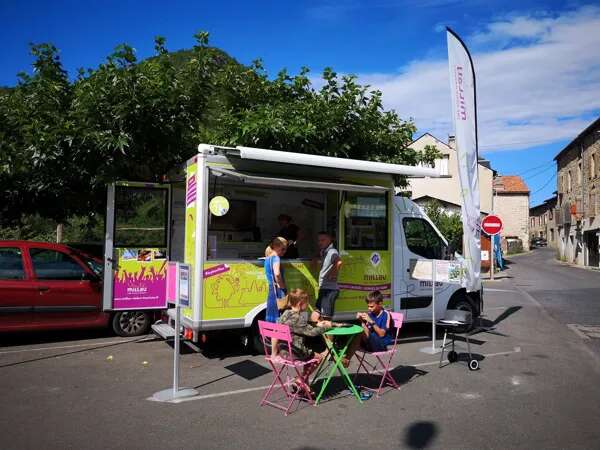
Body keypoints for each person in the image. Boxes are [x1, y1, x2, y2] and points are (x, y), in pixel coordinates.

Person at [277, 289, 332, 389]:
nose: (307, 305)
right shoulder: (298, 318)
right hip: (294, 353)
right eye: (307, 303)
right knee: (318, 357)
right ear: (300, 303)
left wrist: (315, 324)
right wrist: (326, 326)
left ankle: (304, 385)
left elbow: (301, 327)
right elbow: (312, 333)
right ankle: (301, 379)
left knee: (309, 352)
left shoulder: (285, 314)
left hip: (283, 351)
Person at [311, 231, 342, 322]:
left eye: (323, 240)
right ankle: (318, 333)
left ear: (330, 240)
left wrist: (333, 273)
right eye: (319, 240)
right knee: (316, 313)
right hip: (324, 288)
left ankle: (329, 335)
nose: (320, 242)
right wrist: (315, 258)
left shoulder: (332, 251)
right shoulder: (324, 251)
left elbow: (339, 262)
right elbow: (319, 254)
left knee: (326, 318)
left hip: (330, 290)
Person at [264, 237, 288, 323]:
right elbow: (277, 273)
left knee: (272, 315)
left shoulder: (267, 258)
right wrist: (282, 286)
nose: (284, 252)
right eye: (283, 249)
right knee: (279, 315)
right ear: (276, 246)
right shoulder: (276, 258)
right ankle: (279, 335)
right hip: (278, 290)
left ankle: (272, 335)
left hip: (271, 289)